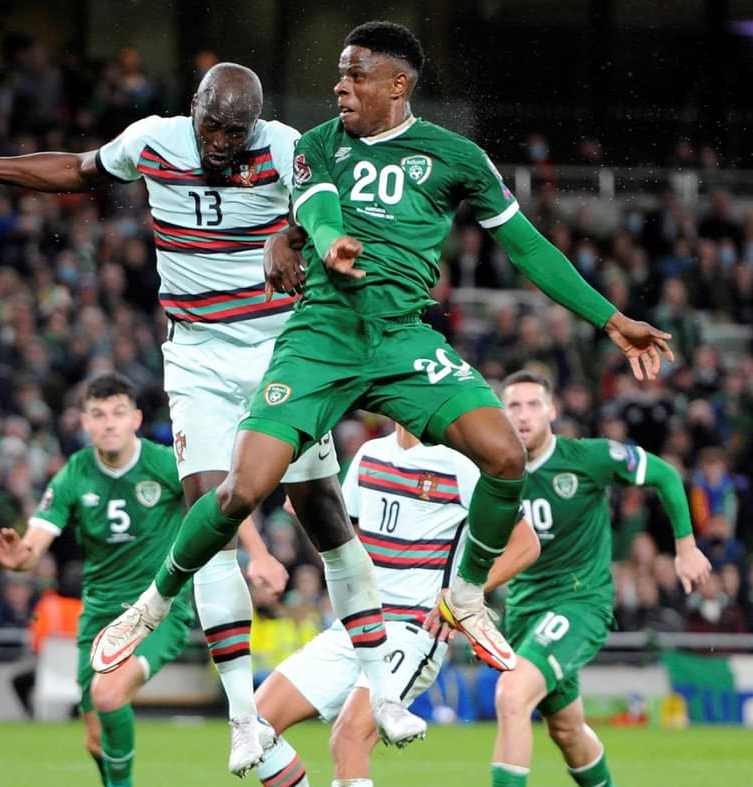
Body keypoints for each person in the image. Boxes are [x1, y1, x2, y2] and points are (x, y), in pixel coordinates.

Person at [89, 21, 674, 707]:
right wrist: (328, 243)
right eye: (339, 71)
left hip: (402, 340)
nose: (339, 84)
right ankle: (152, 604)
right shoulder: (313, 146)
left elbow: (528, 248)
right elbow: (320, 210)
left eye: (356, 73)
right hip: (320, 338)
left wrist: (611, 320)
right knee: (239, 492)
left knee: (506, 457)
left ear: (398, 85)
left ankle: (465, 594)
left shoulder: (456, 157)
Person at [0, 61, 427, 767]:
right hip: (198, 357)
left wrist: (296, 237)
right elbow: (75, 170)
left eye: (234, 131)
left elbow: (326, 205)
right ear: (193, 110)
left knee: (324, 513)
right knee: (207, 516)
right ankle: (244, 716)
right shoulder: (153, 140)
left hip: (282, 351)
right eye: (212, 125)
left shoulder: (281, 146)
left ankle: (383, 692)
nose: (221, 141)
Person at [253, 425, 539, 787]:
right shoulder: (369, 455)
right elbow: (349, 547)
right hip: (356, 623)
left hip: (415, 628)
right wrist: (311, 519)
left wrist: (462, 595)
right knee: (255, 723)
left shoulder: (464, 464)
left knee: (348, 737)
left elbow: (524, 544)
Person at [0, 373, 248, 787]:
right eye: (97, 415)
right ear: (85, 422)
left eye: (117, 414)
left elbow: (224, 503)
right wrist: (18, 557)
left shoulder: (164, 463)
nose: (108, 424)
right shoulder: (74, 473)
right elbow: (33, 545)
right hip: (100, 615)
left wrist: (259, 557)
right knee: (94, 736)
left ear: (135, 419)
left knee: (109, 696)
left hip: (158, 609)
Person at [460, 371, 711, 787]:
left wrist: (685, 546)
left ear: (552, 411)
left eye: (534, 403)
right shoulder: (492, 470)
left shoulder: (588, 459)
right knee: (567, 729)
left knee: (512, 696)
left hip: (580, 603)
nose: (524, 414)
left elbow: (662, 472)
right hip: (526, 611)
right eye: (513, 405)